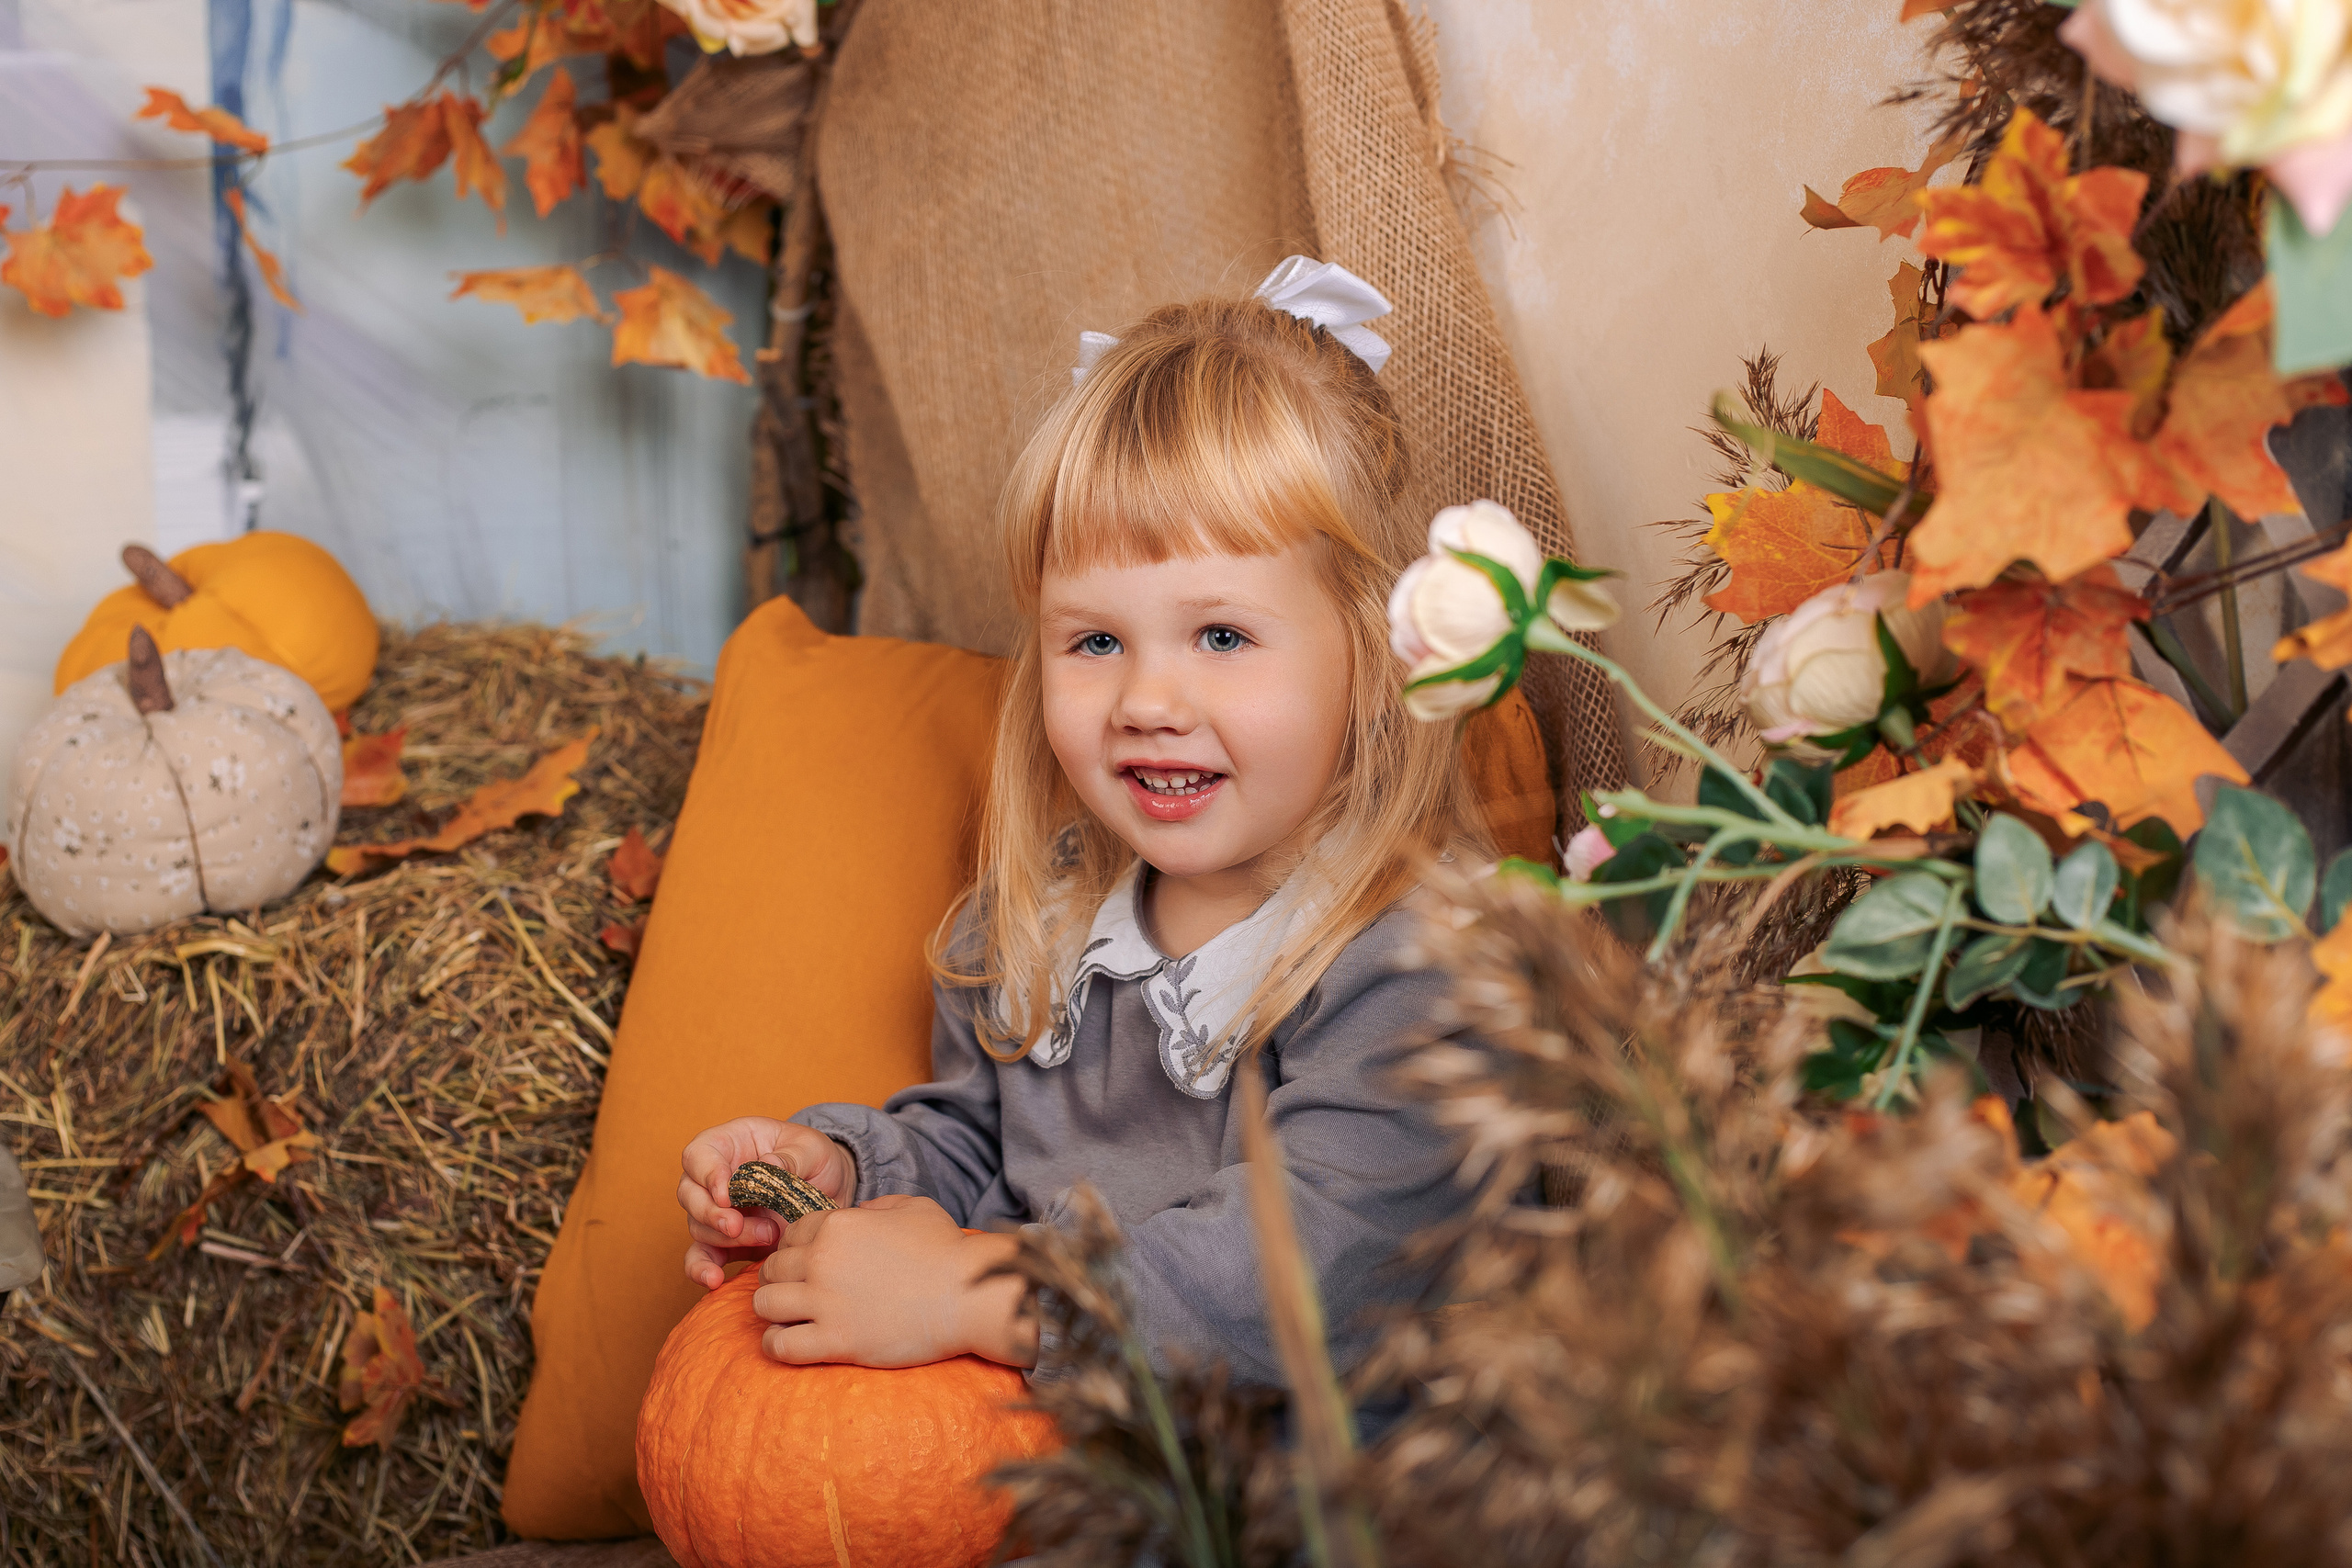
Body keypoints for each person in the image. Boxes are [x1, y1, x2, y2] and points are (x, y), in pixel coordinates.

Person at [673, 257, 1487, 1392]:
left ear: (1373, 656)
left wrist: (980, 1294)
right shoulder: (1034, 929)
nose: (1147, 701)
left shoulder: (1412, 967)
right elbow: (982, 1160)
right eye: (1095, 641)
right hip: (1053, 1463)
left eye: (1221, 636)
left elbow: (1308, 1273)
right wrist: (840, 1178)